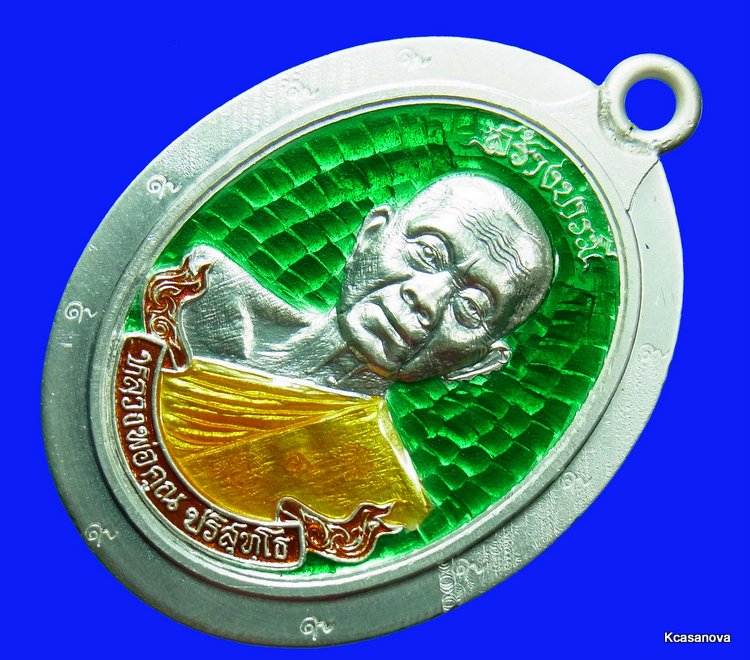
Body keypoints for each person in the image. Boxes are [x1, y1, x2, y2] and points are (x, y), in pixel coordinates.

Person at [151, 173, 554, 535]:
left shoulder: (382, 505)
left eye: (471, 308)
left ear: (477, 364)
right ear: (371, 236)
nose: (425, 299)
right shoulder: (190, 295)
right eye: (428, 254)